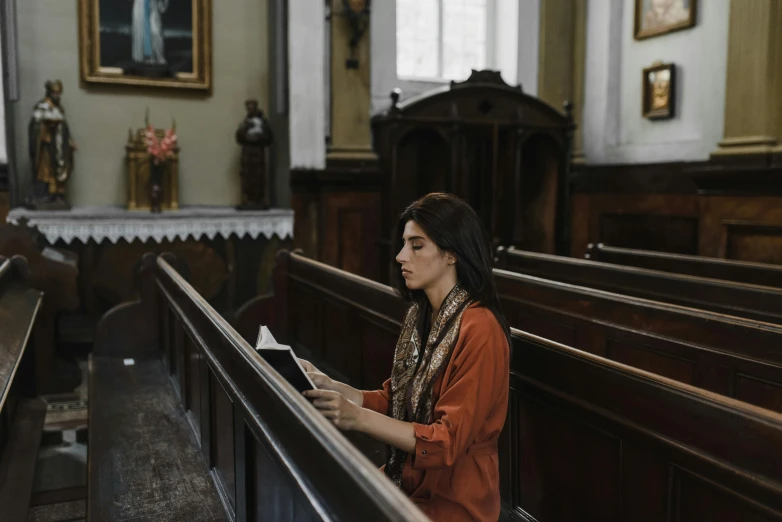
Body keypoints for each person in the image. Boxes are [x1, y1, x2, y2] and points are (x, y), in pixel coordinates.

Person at [302, 193, 511, 521]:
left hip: (456, 498)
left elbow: (447, 441)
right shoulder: (421, 314)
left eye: (417, 245)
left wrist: (356, 418)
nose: (401, 256)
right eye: (403, 244)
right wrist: (335, 388)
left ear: (452, 253)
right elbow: (397, 400)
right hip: (411, 481)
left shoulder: (480, 329)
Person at [27, 80, 76, 208]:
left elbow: (63, 127)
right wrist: (46, 128)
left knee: (59, 169)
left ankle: (56, 195)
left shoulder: (59, 109)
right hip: (46, 146)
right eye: (55, 93)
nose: (58, 96)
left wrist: (69, 140)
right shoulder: (42, 106)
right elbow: (35, 126)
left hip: (59, 145)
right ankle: (43, 195)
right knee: (45, 171)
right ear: (49, 93)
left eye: (59, 93)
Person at [132, 0, 169, 65]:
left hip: (153, 6)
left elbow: (162, 8)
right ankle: (150, 57)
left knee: (156, 31)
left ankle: (159, 57)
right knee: (145, 31)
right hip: (142, 5)